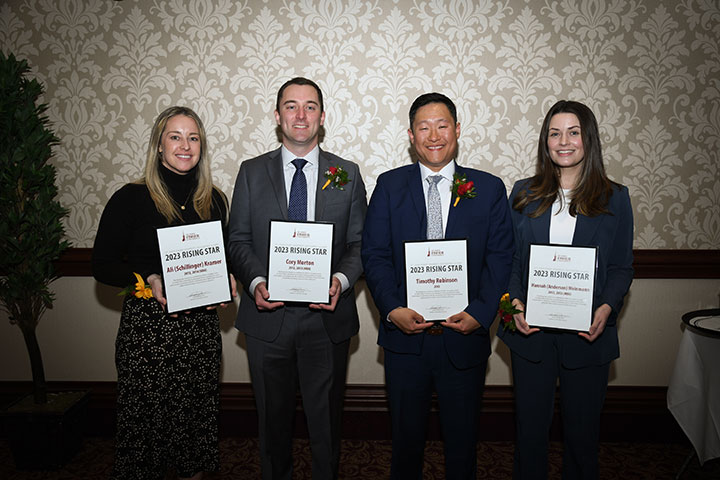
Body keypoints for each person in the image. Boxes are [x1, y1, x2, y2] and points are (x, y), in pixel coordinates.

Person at [361, 92, 514, 479]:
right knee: (405, 444)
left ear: (457, 130)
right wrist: (392, 308)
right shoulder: (389, 185)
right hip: (404, 340)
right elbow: (374, 254)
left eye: (442, 125)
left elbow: (500, 259)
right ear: (411, 136)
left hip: (464, 337)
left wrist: (480, 315)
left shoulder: (490, 188)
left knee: (463, 446)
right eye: (423, 127)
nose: (434, 135)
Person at [227, 77, 367, 479]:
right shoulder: (252, 172)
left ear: (322, 117)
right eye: (291, 106)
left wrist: (340, 280)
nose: (300, 115)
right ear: (277, 116)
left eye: (310, 106)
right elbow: (237, 239)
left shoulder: (348, 173)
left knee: (326, 425)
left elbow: (360, 244)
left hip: (326, 317)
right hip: (267, 317)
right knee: (272, 425)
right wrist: (255, 283)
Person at [92, 106, 233, 480]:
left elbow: (221, 258)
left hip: (200, 333)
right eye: (175, 136)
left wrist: (228, 279)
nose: (184, 145)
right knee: (144, 435)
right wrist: (149, 278)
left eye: (193, 138)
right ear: (158, 145)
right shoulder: (130, 198)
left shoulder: (214, 200)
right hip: (147, 332)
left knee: (194, 430)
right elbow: (102, 265)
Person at [499, 100, 634, 479]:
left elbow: (622, 267)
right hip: (531, 335)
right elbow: (508, 262)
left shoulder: (615, 198)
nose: (564, 141)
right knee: (530, 435)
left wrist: (606, 308)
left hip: (587, 335)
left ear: (588, 139)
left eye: (573, 132)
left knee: (582, 438)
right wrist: (514, 307)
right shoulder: (523, 193)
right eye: (554, 133)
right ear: (545, 142)